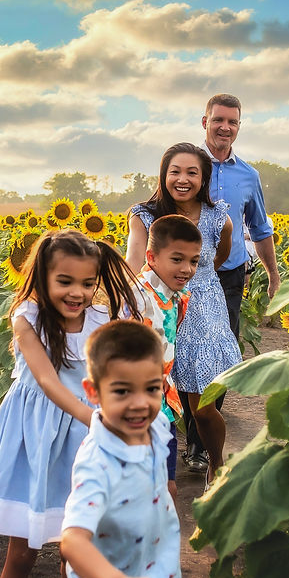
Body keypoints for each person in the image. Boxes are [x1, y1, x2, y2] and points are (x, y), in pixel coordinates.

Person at [0, 229, 142, 578]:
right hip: (36, 441)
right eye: (65, 281)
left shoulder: (104, 320)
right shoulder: (27, 319)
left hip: (83, 447)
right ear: (43, 277)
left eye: (87, 283)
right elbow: (46, 380)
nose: (77, 293)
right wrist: (93, 417)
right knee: (22, 555)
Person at [126, 142, 241, 488]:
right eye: (175, 171)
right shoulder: (144, 215)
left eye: (192, 172)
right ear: (164, 175)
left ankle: (216, 464)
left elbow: (214, 260)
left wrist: (193, 277)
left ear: (204, 178)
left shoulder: (218, 217)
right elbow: (134, 260)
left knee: (202, 406)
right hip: (157, 307)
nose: (183, 179)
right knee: (152, 395)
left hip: (204, 307)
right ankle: (155, 475)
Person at [178, 93, 283, 474]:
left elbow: (260, 228)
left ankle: (203, 445)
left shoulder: (248, 176)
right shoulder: (187, 167)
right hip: (184, 273)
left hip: (230, 275)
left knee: (218, 359)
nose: (225, 127)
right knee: (185, 351)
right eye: (218, 119)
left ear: (239, 127)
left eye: (233, 122)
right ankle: (191, 436)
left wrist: (273, 273)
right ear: (203, 121)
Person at [61, 320, 182, 578]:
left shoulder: (155, 428)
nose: (140, 403)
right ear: (93, 391)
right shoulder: (97, 463)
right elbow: (72, 541)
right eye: (122, 391)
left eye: (152, 388)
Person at [129, 214, 203, 502]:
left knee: (167, 488)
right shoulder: (136, 297)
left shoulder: (176, 296)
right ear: (152, 257)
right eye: (177, 259)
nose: (187, 269)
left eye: (194, 261)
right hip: (137, 410)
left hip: (164, 404)